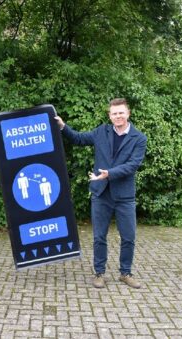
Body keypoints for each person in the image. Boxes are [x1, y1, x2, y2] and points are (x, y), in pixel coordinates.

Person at [55, 98, 147, 289]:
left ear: (128, 113)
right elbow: (79, 139)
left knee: (129, 237)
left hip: (124, 196)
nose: (118, 116)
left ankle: (125, 273)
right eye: (114, 113)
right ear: (110, 116)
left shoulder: (139, 138)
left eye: (121, 112)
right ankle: (99, 273)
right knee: (99, 237)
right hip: (101, 194)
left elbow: (133, 165)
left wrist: (109, 174)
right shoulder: (101, 132)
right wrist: (63, 126)